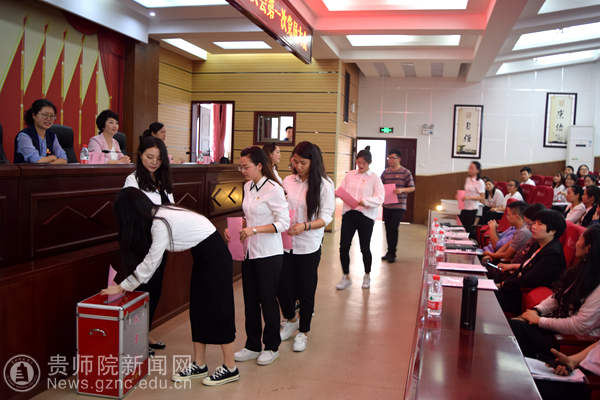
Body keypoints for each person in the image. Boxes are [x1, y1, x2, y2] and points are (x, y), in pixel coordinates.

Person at [100, 188, 238, 386]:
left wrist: (123, 287)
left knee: (219, 309)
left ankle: (230, 368)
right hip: (203, 257)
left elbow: (152, 261)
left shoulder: (160, 222)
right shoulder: (159, 215)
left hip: (215, 257)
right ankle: (199, 364)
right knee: (198, 310)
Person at [227, 147, 289, 366]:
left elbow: (284, 223)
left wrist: (254, 230)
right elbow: (250, 216)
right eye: (241, 167)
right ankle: (252, 345)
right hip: (249, 252)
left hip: (269, 253)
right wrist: (237, 228)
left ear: (260, 165)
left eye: (246, 167)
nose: (243, 171)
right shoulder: (247, 186)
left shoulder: (273, 188)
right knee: (250, 301)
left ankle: (271, 346)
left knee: (268, 300)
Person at [509, 225, 600, 361]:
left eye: (579, 239)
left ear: (588, 248)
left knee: (512, 331)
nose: (575, 243)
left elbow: (580, 326)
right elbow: (557, 296)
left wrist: (539, 321)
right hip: (558, 329)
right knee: (511, 326)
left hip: (569, 341)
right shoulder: (583, 269)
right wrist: (537, 310)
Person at [278, 141, 335, 352]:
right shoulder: (287, 181)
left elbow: (326, 217)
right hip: (286, 242)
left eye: (303, 163)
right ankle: (291, 319)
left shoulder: (324, 185)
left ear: (313, 162)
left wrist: (305, 226)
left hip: (308, 243)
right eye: (295, 162)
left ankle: (303, 332)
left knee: (306, 289)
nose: (298, 166)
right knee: (282, 285)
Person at [123, 137, 174, 356]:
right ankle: (134, 340)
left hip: (159, 243)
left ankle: (145, 333)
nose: (154, 162)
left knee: (155, 291)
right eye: (149, 157)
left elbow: (170, 208)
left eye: (158, 158)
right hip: (141, 243)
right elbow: (133, 212)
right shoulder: (133, 180)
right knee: (141, 291)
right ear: (140, 156)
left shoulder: (163, 179)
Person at [494, 209, 567, 316]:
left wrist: (502, 285)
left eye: (540, 224)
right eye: (534, 223)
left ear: (552, 231)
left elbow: (529, 280)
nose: (534, 227)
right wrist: (504, 283)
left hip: (523, 295)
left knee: (486, 295)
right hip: (515, 288)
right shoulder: (537, 244)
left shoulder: (553, 253)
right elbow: (522, 269)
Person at [336, 146, 385, 290]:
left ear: (370, 162)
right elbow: (342, 190)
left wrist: (367, 201)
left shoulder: (374, 178)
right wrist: (337, 193)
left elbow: (380, 197)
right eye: (358, 162)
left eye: (364, 163)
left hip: (365, 216)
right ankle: (346, 276)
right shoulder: (350, 175)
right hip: (349, 213)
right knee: (344, 247)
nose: (361, 165)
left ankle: (367, 275)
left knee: (365, 247)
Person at [380, 148, 415, 263]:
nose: (390, 160)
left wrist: (401, 190)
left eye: (392, 158)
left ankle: (392, 253)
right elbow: (380, 186)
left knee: (393, 227)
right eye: (388, 158)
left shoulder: (405, 172)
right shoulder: (386, 172)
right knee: (387, 228)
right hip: (387, 205)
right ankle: (389, 251)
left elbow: (412, 188)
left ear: (399, 159)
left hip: (399, 206)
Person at [14, 99, 67, 164]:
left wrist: (48, 164)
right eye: (45, 115)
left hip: (47, 170)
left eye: (52, 116)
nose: (49, 119)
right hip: (27, 170)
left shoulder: (52, 136)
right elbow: (36, 161)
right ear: (34, 115)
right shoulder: (24, 136)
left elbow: (64, 159)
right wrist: (52, 157)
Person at [458, 161, 485, 232]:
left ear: (478, 170)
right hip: (465, 206)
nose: (469, 170)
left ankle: (471, 238)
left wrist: (469, 198)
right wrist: (460, 196)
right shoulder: (468, 179)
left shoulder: (479, 182)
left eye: (472, 168)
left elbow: (482, 198)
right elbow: (468, 192)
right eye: (469, 168)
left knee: (467, 228)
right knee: (460, 225)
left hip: (472, 208)